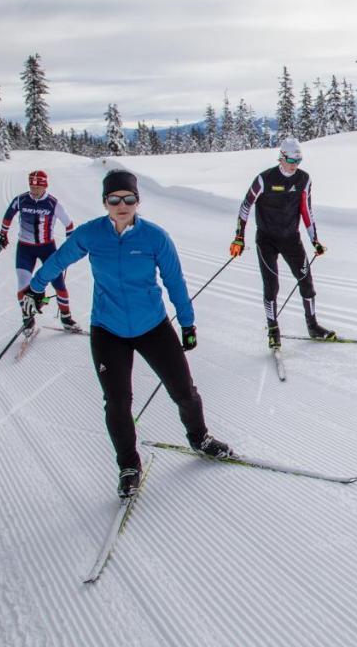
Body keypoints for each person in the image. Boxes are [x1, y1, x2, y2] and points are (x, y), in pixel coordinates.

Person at [23, 170, 231, 498]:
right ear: (105, 202)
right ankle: (128, 465)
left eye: (129, 199)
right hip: (108, 329)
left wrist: (188, 323)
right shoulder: (91, 235)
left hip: (153, 326)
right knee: (117, 403)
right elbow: (59, 259)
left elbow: (175, 282)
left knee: (183, 390)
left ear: (138, 201)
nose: (122, 205)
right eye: (114, 199)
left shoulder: (155, 237)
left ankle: (200, 438)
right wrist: (35, 287)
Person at [229, 137, 334, 349]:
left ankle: (312, 325)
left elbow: (307, 210)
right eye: (291, 160)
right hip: (266, 240)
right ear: (281, 157)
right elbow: (246, 206)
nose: (294, 165)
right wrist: (239, 237)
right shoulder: (264, 179)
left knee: (306, 281)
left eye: (298, 161)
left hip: (291, 239)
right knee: (272, 286)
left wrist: (315, 241)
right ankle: (273, 330)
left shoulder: (304, 180)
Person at [0, 169, 79, 334]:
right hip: (25, 248)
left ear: (44, 186)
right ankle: (28, 318)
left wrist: (69, 245)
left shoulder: (52, 204)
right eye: (31, 186)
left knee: (58, 283)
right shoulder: (21, 200)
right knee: (23, 283)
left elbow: (69, 225)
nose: (34, 190)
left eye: (37, 187)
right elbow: (8, 214)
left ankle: (66, 317)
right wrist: (2, 234)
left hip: (47, 248)